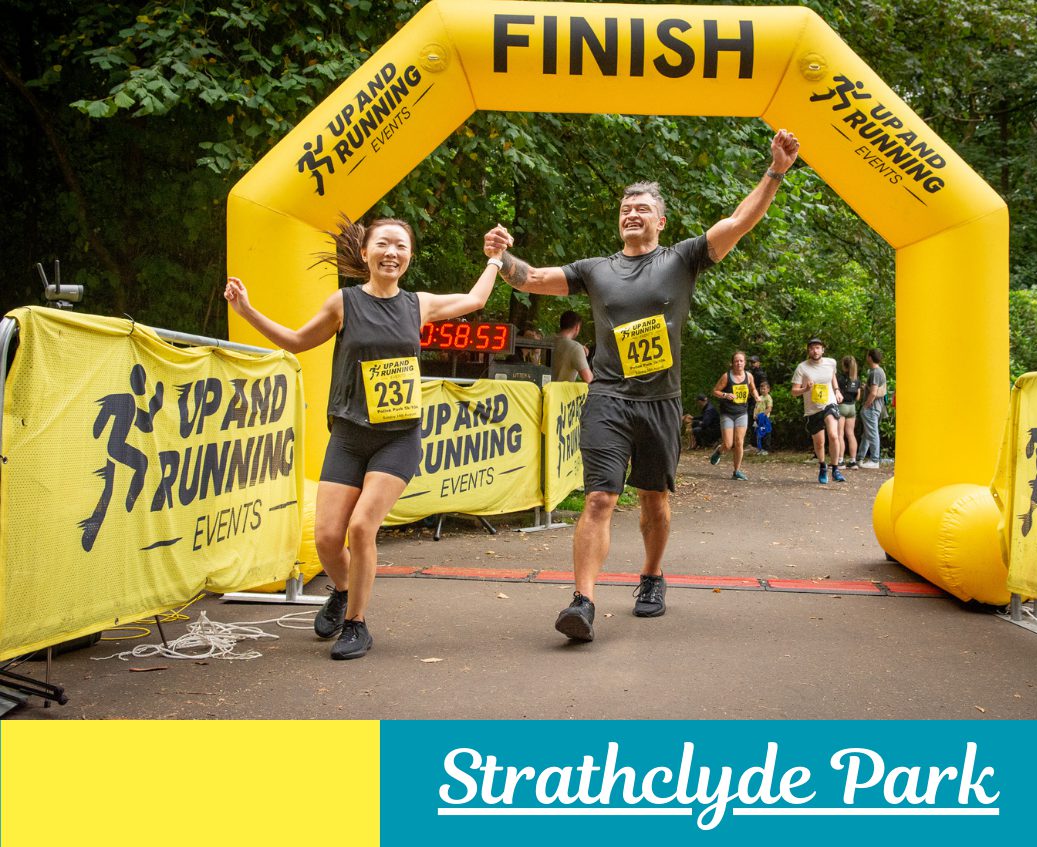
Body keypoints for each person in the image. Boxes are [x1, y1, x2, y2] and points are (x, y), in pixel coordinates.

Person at [485, 129, 801, 641]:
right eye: (625, 208)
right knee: (598, 500)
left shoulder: (681, 260)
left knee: (654, 499)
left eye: (642, 208)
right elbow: (531, 278)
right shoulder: (594, 270)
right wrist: (500, 256)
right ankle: (582, 601)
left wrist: (776, 171)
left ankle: (652, 577)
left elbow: (738, 223)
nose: (631, 214)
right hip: (607, 398)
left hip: (660, 403)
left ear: (661, 220)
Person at [225, 217, 502, 659]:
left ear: (409, 257)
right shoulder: (344, 303)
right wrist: (246, 312)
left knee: (360, 527)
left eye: (401, 246)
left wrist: (495, 259)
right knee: (327, 538)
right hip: (350, 433)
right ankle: (342, 589)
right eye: (384, 244)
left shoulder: (419, 304)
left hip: (399, 436)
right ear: (368, 252)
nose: (392, 252)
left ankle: (357, 624)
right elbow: (296, 342)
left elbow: (473, 298)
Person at [791, 336, 847, 485]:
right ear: (808, 351)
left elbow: (832, 376)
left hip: (829, 403)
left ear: (823, 349)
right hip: (812, 408)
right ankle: (823, 466)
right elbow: (794, 391)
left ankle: (835, 469)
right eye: (811, 348)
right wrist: (806, 388)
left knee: (834, 435)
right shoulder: (802, 367)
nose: (815, 351)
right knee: (820, 443)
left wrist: (837, 390)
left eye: (817, 347)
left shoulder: (831, 363)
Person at [709, 349, 758, 479]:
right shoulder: (726, 376)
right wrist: (726, 394)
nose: (739, 363)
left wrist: (757, 397)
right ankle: (719, 451)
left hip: (742, 412)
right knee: (728, 444)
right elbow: (715, 391)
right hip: (727, 413)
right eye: (736, 361)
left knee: (739, 442)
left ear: (745, 363)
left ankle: (736, 471)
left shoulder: (749, 376)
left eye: (741, 361)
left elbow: (752, 388)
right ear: (732, 363)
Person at [857, 346, 888, 469]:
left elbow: (874, 392)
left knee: (872, 433)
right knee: (868, 434)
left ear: (870, 357)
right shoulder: (880, 371)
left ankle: (875, 460)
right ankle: (860, 458)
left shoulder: (875, 372)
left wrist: (866, 405)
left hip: (872, 407)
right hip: (877, 407)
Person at [551, 310, 594, 383]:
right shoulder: (576, 348)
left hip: (540, 391)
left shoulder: (545, 341)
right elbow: (588, 379)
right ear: (577, 327)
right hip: (561, 393)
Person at [836, 355, 861, 467]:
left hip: (842, 407)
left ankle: (840, 460)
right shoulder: (856, 379)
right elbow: (858, 396)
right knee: (851, 434)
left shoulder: (840, 378)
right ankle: (853, 461)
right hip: (852, 407)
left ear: (843, 365)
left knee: (840, 434)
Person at [753, 378, 774, 454]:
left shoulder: (768, 397)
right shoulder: (759, 397)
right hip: (758, 419)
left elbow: (769, 408)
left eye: (764, 389)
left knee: (766, 433)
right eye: (761, 389)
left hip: (764, 419)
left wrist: (762, 416)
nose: (762, 390)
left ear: (768, 389)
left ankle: (766, 449)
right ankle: (760, 448)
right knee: (759, 434)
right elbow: (756, 407)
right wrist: (755, 415)